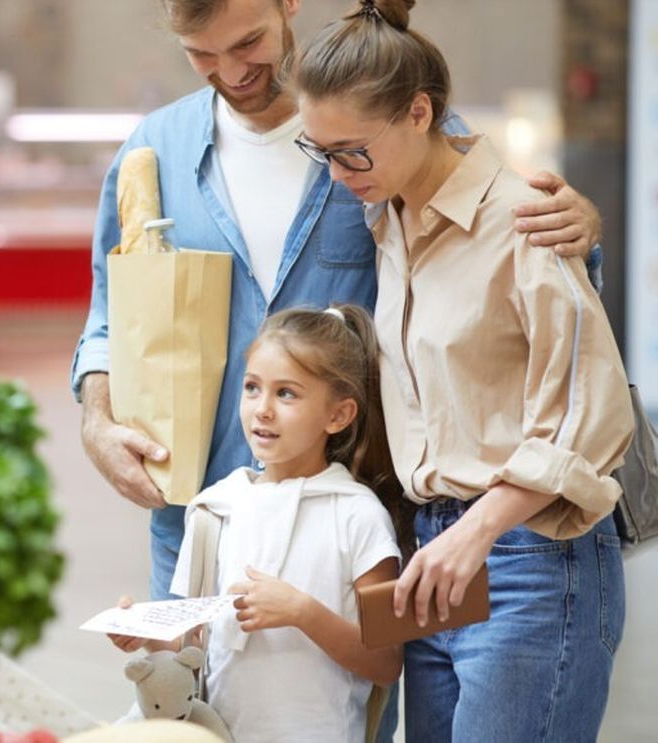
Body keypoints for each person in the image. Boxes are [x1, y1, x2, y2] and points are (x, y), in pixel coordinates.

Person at [73, 0, 604, 606]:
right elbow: (108, 320)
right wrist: (98, 424)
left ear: (288, 5)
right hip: (196, 514)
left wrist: (578, 225)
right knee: (178, 699)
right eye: (201, 54)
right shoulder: (154, 150)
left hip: (357, 523)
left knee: (344, 696)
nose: (231, 71)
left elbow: (504, 245)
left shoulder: (393, 126)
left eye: (248, 43)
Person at [293, 2, 634, 740]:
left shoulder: (524, 221)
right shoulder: (390, 218)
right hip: (435, 552)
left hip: (533, 560)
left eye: (352, 151)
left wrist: (476, 530)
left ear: (420, 113)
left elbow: (594, 412)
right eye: (319, 150)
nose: (336, 172)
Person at [111, 305, 405, 742]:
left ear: (339, 415)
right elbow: (195, 647)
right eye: (252, 388)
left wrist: (302, 612)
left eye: (286, 393)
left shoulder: (361, 517)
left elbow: (385, 661)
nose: (262, 409)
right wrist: (148, 637)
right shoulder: (215, 509)